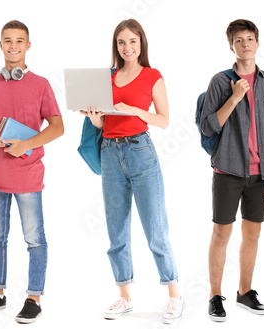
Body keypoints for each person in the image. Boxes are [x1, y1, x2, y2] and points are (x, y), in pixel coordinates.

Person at [83, 18, 183, 324]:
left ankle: (174, 296)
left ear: (142, 44)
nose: (127, 48)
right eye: (121, 42)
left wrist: (136, 110)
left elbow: (164, 120)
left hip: (141, 152)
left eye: (133, 42)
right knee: (116, 230)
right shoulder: (107, 78)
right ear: (116, 46)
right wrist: (94, 118)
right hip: (110, 153)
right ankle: (124, 296)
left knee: (155, 228)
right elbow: (105, 125)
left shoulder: (152, 76)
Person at [0, 20, 64, 324]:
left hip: (28, 175)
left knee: (34, 239)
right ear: (0, 45)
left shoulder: (41, 84)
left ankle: (33, 298)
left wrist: (27, 145)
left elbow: (58, 127)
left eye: (19, 41)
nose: (13, 46)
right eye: (7, 41)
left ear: (28, 46)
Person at [198, 19, 264, 322]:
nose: (245, 44)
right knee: (221, 233)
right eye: (238, 40)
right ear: (231, 46)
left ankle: (245, 292)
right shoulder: (221, 82)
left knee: (253, 233)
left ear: (257, 43)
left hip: (260, 174)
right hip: (228, 170)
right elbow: (209, 125)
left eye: (250, 39)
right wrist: (234, 97)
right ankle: (215, 296)